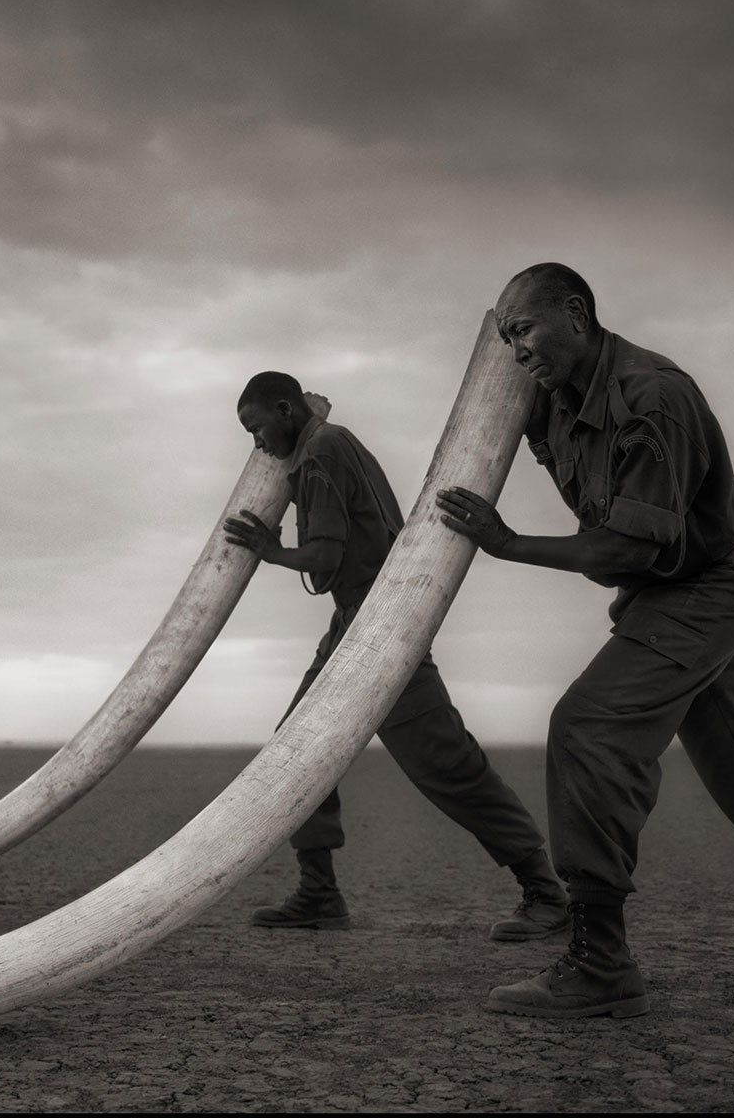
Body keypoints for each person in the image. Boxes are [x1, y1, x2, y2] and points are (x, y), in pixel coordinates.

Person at [436, 261, 734, 1019]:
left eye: (524, 329)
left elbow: (620, 552)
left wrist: (505, 543)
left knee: (590, 727)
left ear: (576, 312)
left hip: (712, 583)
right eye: (505, 337)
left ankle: (600, 961)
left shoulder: (654, 397)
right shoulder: (552, 395)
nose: (515, 350)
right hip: (670, 587)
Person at [223, 371, 567, 940]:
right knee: (293, 755)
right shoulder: (331, 442)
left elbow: (324, 555)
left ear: (285, 410)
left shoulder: (320, 455)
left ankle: (545, 891)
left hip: (382, 630)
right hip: (352, 623)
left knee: (445, 763)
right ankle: (318, 893)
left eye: (256, 428)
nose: (256, 444)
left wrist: (270, 551)